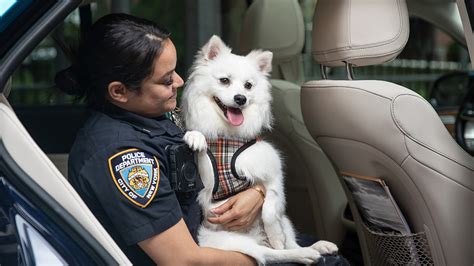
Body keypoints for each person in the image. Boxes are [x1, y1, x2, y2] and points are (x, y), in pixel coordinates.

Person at [57, 13, 349, 266]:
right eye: (166, 79)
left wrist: (257, 193)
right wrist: (267, 257)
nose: (180, 82)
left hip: (231, 237)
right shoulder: (122, 154)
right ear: (119, 91)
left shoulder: (154, 116)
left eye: (175, 72)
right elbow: (182, 260)